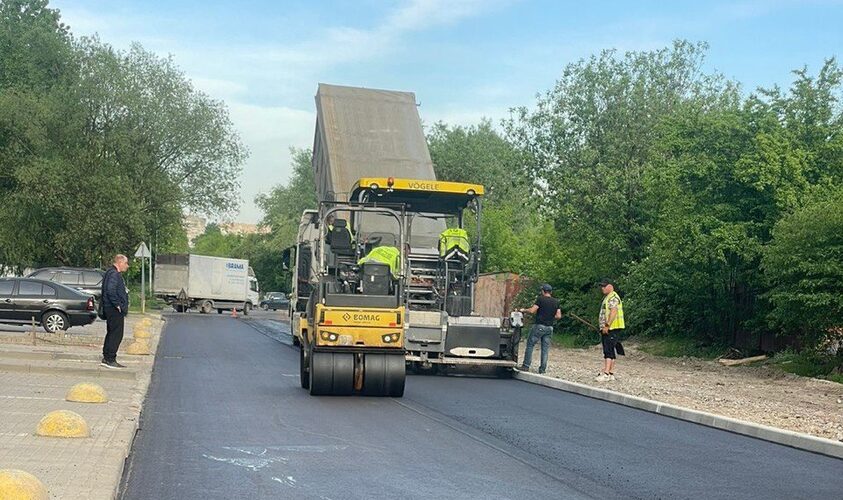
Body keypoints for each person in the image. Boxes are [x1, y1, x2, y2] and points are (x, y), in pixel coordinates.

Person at [518, 283, 561, 374]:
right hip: (550, 328)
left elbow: (532, 310)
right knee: (545, 349)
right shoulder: (556, 301)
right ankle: (542, 369)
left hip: (539, 326)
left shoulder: (541, 299)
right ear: (551, 292)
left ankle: (526, 366)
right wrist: (550, 316)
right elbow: (558, 316)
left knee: (530, 345)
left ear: (543, 291)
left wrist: (523, 310)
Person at [101, 254, 129, 369]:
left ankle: (106, 357)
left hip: (110, 308)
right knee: (117, 334)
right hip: (113, 309)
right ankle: (110, 359)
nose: (127, 266)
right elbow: (110, 290)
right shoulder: (114, 274)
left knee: (111, 332)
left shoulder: (109, 272)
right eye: (126, 263)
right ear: (120, 262)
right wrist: (117, 304)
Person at [596, 278, 625, 381]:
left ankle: (606, 373)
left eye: (604, 286)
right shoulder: (608, 297)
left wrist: (607, 325)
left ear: (610, 286)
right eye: (602, 286)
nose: (602, 288)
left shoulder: (613, 297)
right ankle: (611, 372)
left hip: (611, 328)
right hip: (610, 328)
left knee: (608, 350)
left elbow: (613, 311)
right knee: (610, 349)